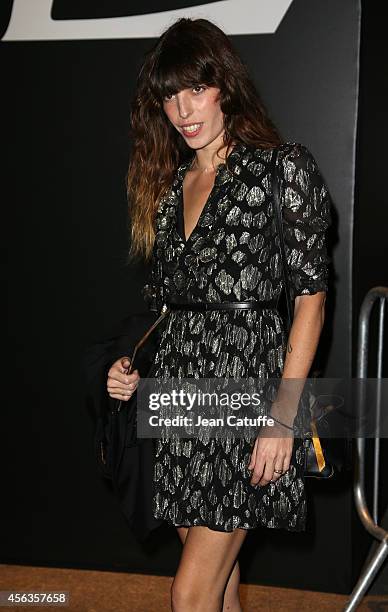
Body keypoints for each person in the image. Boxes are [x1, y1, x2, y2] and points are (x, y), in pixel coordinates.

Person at [106, 17, 332, 612]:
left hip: (246, 395)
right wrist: (129, 365)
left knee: (189, 595)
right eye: (170, 96)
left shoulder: (281, 169)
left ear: (224, 87)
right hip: (177, 398)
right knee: (218, 586)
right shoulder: (170, 183)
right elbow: (167, 307)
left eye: (196, 90)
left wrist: (284, 415)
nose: (183, 110)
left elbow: (310, 300)